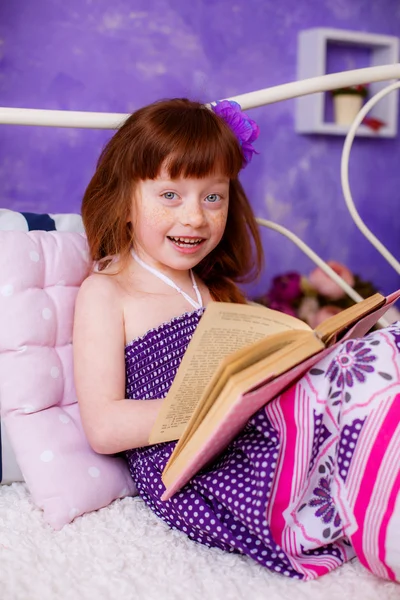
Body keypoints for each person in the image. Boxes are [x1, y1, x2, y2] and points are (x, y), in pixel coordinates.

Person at [73, 98, 400, 583]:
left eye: (213, 197)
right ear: (124, 200)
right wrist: (219, 405)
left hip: (257, 432)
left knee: (378, 349)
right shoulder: (107, 290)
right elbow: (103, 426)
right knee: (367, 372)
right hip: (203, 468)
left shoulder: (209, 288)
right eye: (170, 196)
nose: (196, 218)